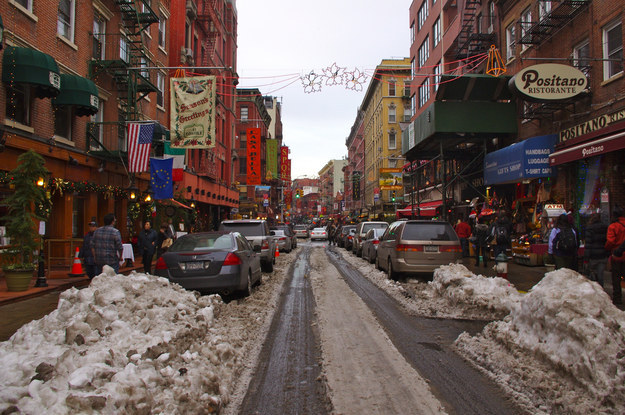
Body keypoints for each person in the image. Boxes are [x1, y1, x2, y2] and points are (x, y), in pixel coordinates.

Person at [605, 206, 625, 305]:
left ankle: (617, 298)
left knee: (616, 278)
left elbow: (610, 241)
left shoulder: (613, 226)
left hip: (617, 255)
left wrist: (607, 248)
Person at [583, 213, 609, 287]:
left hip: (593, 256)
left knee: (593, 275)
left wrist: (586, 258)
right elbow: (607, 241)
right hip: (603, 255)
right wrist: (607, 253)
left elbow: (588, 245)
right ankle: (601, 290)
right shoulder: (605, 228)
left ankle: (595, 291)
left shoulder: (589, 228)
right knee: (600, 275)